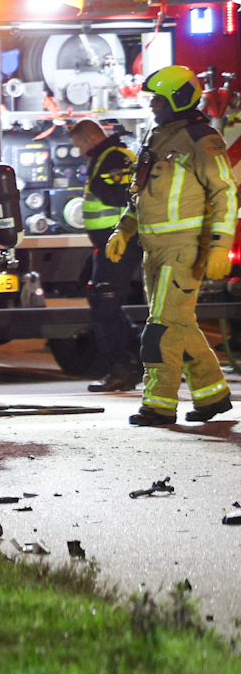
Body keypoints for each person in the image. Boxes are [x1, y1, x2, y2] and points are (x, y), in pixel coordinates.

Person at [104, 65, 236, 425]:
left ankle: (159, 404)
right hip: (154, 248)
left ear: (177, 100)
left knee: (161, 326)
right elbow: (141, 193)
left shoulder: (201, 139)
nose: (152, 106)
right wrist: (123, 230)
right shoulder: (157, 137)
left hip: (184, 247)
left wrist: (221, 246)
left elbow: (226, 192)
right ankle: (213, 396)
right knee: (178, 322)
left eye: (158, 100)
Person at [70, 118, 141, 392]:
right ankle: (139, 356)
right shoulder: (106, 157)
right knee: (95, 293)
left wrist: (102, 184)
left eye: (78, 145)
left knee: (105, 303)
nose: (79, 150)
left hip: (121, 242)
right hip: (109, 244)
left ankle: (124, 366)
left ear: (89, 138)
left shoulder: (114, 158)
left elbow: (122, 195)